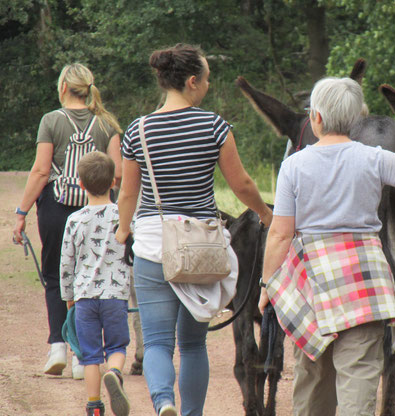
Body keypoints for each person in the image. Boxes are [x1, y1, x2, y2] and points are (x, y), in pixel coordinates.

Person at [257, 77, 395, 416]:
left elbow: (279, 235)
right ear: (357, 121)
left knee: (312, 377)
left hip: (311, 284)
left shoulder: (294, 165)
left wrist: (267, 285)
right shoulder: (376, 159)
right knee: (360, 375)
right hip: (364, 284)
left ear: (315, 118)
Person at [115, 43, 273, 416]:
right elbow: (242, 185)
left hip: (154, 244)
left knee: (155, 343)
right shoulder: (214, 126)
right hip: (200, 246)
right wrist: (266, 214)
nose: (208, 84)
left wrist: (124, 230)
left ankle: (164, 403)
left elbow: (127, 193)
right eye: (206, 78)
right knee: (192, 344)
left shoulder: (138, 130)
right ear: (191, 82)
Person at [12, 63, 123, 379]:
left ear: (63, 87)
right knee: (92, 277)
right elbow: (117, 175)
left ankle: (58, 345)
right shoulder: (107, 123)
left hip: (56, 208)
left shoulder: (51, 121)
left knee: (55, 275)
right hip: (99, 211)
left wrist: (21, 213)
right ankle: (82, 356)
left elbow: (41, 171)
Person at [60, 151, 131, 416]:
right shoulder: (123, 217)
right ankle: (113, 373)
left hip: (85, 298)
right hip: (115, 297)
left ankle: (94, 406)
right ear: (114, 182)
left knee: (89, 355)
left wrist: (69, 297)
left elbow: (66, 263)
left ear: (80, 184)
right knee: (117, 347)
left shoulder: (74, 221)